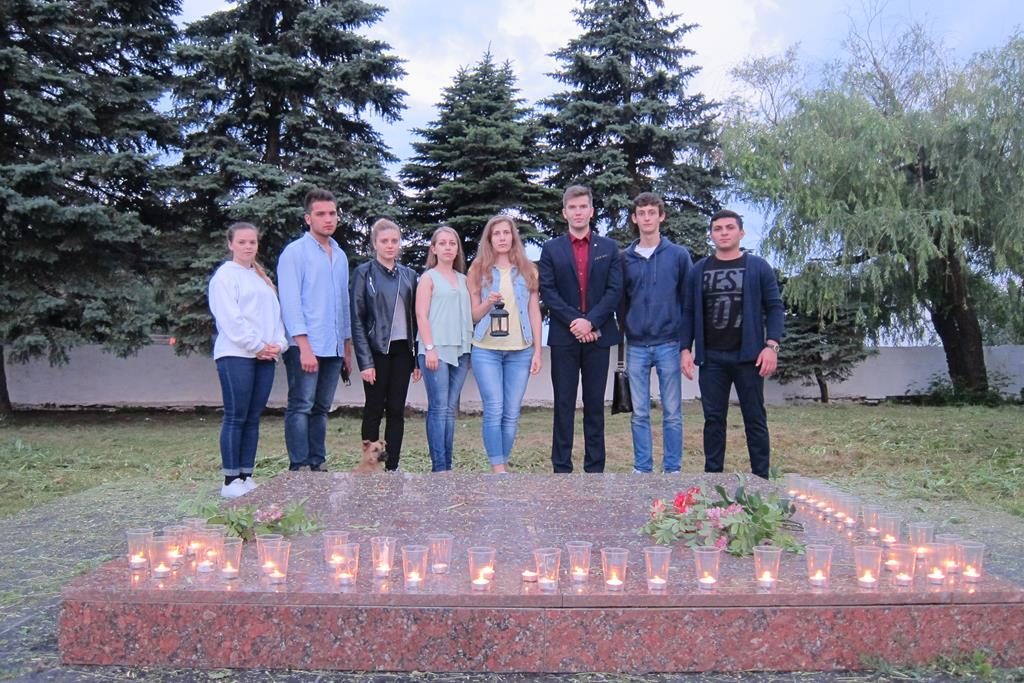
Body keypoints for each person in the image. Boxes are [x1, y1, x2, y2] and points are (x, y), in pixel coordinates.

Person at [681, 209, 784, 479]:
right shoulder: (699, 270)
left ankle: (761, 480)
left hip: (749, 357)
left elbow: (775, 307)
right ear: (711, 235)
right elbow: (689, 312)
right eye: (718, 229)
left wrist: (771, 345)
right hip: (712, 359)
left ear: (741, 233)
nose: (723, 233)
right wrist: (685, 349)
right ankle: (713, 480)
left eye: (729, 228)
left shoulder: (757, 267)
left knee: (755, 419)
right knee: (713, 420)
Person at [538, 185, 623, 473]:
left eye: (583, 207)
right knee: (563, 404)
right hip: (565, 338)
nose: (578, 212)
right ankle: (562, 468)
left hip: (598, 337)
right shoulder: (551, 249)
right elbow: (548, 291)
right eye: (572, 207)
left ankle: (595, 468)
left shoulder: (608, 248)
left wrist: (592, 322)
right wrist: (577, 322)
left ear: (591, 211)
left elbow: (614, 290)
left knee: (595, 405)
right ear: (564, 212)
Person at [208, 222, 288, 498]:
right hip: (237, 355)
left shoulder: (260, 278)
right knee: (236, 415)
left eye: (252, 242)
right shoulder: (224, 277)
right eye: (242, 242)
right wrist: (256, 346)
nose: (247, 247)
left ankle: (246, 474)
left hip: (265, 356)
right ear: (231, 244)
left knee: (253, 417)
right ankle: (230, 480)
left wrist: (277, 344)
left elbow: (275, 317)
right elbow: (231, 319)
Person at [277, 188, 353, 472]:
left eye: (332, 213)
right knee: (301, 405)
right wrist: (304, 346)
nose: (328, 219)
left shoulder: (340, 256)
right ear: (308, 218)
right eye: (321, 214)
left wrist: (346, 347)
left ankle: (317, 462)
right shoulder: (294, 253)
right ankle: (299, 465)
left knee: (321, 408)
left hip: (333, 346)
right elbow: (290, 302)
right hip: (305, 345)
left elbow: (343, 302)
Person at [620, 193, 692, 474]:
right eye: (642, 213)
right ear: (634, 218)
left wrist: (686, 345)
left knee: (672, 412)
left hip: (669, 343)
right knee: (639, 413)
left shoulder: (678, 256)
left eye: (652, 212)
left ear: (661, 216)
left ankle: (672, 468)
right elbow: (620, 300)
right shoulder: (625, 258)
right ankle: (642, 468)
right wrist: (627, 326)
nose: (647, 218)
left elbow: (687, 301)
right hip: (637, 344)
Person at [467, 215, 543, 473]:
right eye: (496, 233)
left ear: (513, 237)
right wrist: (488, 303)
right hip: (486, 350)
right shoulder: (478, 270)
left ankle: (501, 463)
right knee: (494, 408)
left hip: (520, 352)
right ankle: (499, 470)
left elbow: (534, 311)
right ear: (489, 239)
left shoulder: (528, 269)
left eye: (506, 233)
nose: (502, 238)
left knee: (511, 413)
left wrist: (537, 351)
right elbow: (473, 315)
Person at [350, 219, 420, 472]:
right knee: (374, 409)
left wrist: (416, 358)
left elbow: (417, 318)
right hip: (377, 350)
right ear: (375, 244)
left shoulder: (409, 275)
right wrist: (365, 362)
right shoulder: (364, 273)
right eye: (384, 241)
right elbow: (357, 319)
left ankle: (392, 465)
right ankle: (370, 466)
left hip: (402, 351)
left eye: (394, 241)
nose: (390, 245)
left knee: (396, 410)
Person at [415, 226, 473, 472]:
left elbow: (471, 314)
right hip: (436, 350)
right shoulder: (428, 278)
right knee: (438, 408)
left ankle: (447, 466)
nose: (448, 247)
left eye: (452, 243)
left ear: (457, 249)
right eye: (443, 243)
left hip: (461, 350)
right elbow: (421, 315)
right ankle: (439, 468)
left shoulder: (464, 280)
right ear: (434, 249)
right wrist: (429, 348)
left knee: (449, 410)